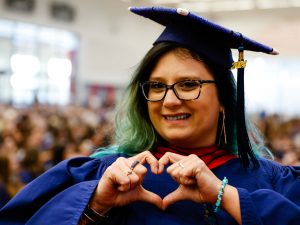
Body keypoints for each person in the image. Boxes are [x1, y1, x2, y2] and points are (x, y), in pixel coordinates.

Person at [1, 6, 300, 225]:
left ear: (225, 99)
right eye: (156, 86)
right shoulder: (100, 177)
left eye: (188, 84)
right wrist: (93, 207)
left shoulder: (273, 183)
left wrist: (230, 198)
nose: (169, 101)